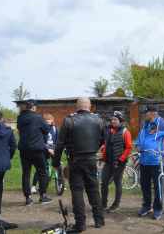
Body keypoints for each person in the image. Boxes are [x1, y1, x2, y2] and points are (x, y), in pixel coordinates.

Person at [53, 97, 107, 231]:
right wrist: (93, 150)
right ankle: (99, 220)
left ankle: (80, 224)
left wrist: (55, 162)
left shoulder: (69, 120)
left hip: (75, 160)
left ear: (77, 107)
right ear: (89, 106)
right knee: (94, 190)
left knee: (77, 192)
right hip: (91, 159)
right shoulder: (99, 120)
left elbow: (60, 144)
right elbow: (103, 140)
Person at [134, 105, 164, 220]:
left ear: (153, 113)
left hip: (156, 161)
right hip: (144, 160)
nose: (144, 114)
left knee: (158, 187)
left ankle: (158, 208)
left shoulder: (162, 124)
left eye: (146, 112)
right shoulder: (145, 124)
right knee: (144, 185)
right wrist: (138, 145)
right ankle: (146, 206)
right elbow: (140, 139)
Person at [17, 99, 51, 205]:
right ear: (33, 107)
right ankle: (43, 196)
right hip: (37, 149)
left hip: (24, 149)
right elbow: (46, 130)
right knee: (42, 172)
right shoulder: (38, 117)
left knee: (26, 173)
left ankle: (28, 198)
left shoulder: (20, 118)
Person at [100, 111, 132, 212]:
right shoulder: (109, 131)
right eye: (112, 119)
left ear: (120, 121)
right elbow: (107, 144)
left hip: (119, 162)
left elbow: (128, 147)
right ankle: (103, 203)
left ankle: (116, 204)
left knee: (117, 183)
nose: (113, 121)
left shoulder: (125, 132)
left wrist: (121, 159)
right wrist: (103, 151)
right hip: (108, 161)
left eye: (115, 119)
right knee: (104, 182)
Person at [31, 114, 59, 194]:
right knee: (41, 168)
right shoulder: (41, 130)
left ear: (52, 120)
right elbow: (41, 141)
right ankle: (33, 186)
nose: (48, 122)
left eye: (49, 120)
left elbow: (57, 140)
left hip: (53, 149)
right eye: (46, 120)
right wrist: (48, 149)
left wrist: (57, 148)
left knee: (58, 164)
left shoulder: (55, 129)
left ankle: (59, 183)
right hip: (44, 149)